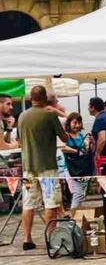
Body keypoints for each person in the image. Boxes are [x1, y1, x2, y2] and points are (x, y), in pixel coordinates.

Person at [18, 85, 69, 251]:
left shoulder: (22, 116)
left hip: (28, 168)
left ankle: (27, 238)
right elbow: (65, 138)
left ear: (30, 98)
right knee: (51, 203)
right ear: (45, 98)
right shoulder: (50, 115)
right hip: (47, 168)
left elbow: (19, 140)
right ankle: (50, 237)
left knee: (28, 203)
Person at [61, 113, 94, 212]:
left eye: (79, 123)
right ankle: (74, 218)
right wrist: (76, 151)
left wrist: (91, 144)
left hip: (83, 168)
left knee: (81, 195)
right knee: (78, 194)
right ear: (69, 123)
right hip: (71, 168)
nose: (77, 125)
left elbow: (86, 150)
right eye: (75, 123)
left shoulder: (81, 135)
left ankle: (77, 216)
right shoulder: (65, 136)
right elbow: (62, 147)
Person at [88, 97, 106, 174]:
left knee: (102, 180)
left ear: (93, 107)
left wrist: (97, 153)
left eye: (89, 106)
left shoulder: (100, 119)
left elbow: (102, 139)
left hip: (104, 156)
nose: (88, 109)